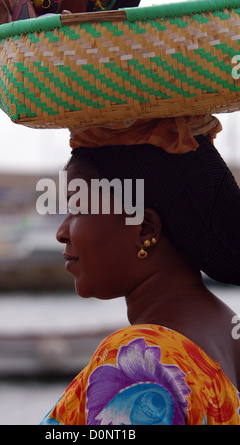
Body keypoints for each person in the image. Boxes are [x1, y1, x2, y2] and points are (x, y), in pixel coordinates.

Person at [40, 114, 240, 425]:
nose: (62, 232)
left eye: (77, 208)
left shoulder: (142, 360)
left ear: (144, 228)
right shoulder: (230, 331)